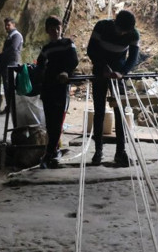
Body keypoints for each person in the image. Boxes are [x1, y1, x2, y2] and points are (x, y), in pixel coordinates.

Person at [86, 10, 140, 166]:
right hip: (100, 72)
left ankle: (120, 152)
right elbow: (91, 50)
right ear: (115, 23)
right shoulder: (102, 26)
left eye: (125, 31)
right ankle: (98, 151)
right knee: (99, 111)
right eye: (120, 30)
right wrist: (102, 67)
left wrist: (122, 73)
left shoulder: (133, 34)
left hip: (118, 73)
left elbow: (133, 58)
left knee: (120, 112)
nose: (122, 33)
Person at [37, 16, 79, 168]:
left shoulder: (68, 44)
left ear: (61, 28)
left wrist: (66, 72)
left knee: (57, 120)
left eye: (58, 28)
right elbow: (40, 64)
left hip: (61, 86)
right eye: (52, 28)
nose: (55, 31)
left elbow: (74, 61)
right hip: (48, 87)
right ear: (47, 30)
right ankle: (53, 151)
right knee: (50, 121)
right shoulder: (46, 49)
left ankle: (50, 152)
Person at [0, 17, 23, 113]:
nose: (6, 27)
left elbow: (13, 48)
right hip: (6, 63)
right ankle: (9, 106)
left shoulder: (16, 36)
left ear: (14, 25)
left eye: (8, 25)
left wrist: (2, 54)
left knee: (10, 86)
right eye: (5, 25)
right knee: (7, 86)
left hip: (11, 63)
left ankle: (12, 107)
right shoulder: (10, 36)